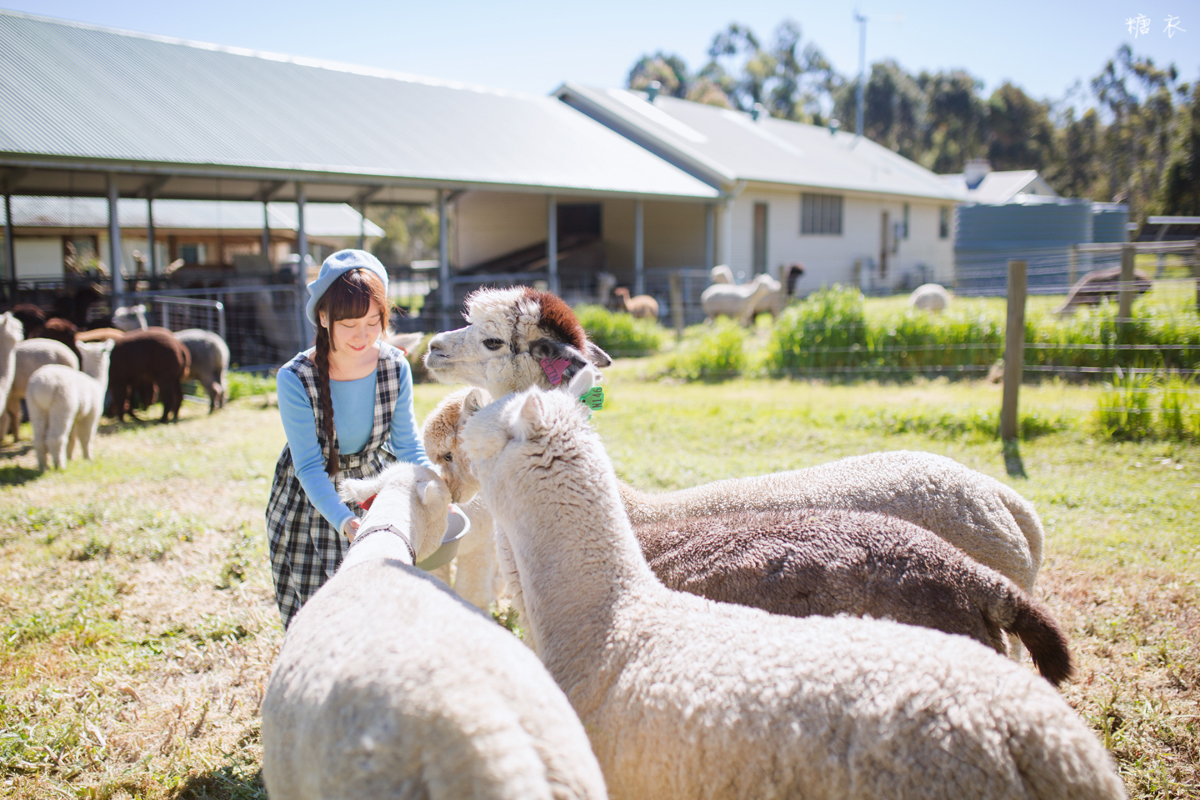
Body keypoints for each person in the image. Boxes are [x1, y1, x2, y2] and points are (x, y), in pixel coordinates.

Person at [265, 249, 434, 627]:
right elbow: (308, 465)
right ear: (324, 318)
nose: (363, 336)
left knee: (377, 609)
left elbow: (407, 444)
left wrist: (434, 492)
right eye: (349, 324)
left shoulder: (394, 366)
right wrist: (344, 520)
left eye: (373, 322)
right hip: (312, 499)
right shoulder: (295, 378)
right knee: (317, 615)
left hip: (375, 487)